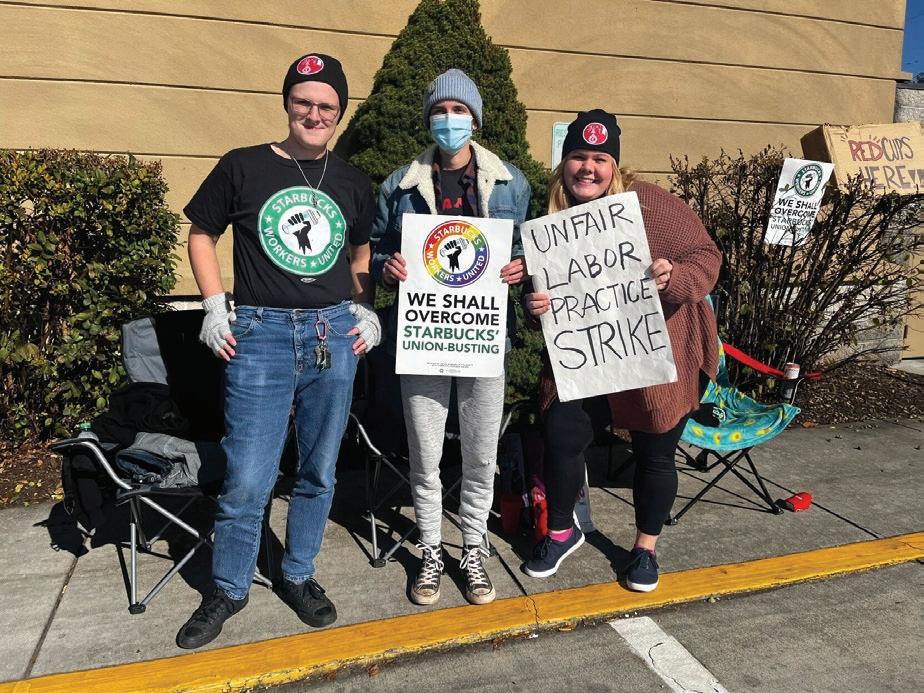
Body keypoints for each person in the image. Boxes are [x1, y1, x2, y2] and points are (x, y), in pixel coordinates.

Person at [175, 53, 381, 649]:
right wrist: (214, 306)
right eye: (304, 102)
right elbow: (201, 233)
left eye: (327, 106)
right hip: (259, 334)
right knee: (248, 473)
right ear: (288, 103)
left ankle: (297, 573)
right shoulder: (243, 166)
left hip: (332, 334)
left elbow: (361, 251)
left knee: (318, 469)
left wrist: (365, 306)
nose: (314, 114)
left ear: (340, 113)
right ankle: (229, 586)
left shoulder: (352, 181)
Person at [521, 109, 721, 592]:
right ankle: (562, 531)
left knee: (655, 449)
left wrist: (675, 278)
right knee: (563, 432)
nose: (588, 168)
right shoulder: (551, 217)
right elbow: (542, 295)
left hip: (658, 347)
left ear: (614, 165)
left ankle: (644, 549)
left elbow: (707, 257)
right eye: (578, 157)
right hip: (588, 354)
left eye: (599, 159)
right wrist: (533, 304)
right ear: (564, 163)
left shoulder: (649, 204)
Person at [371, 69, 530, 606]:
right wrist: (386, 266)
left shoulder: (510, 183)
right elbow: (374, 249)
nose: (449, 119)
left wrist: (521, 268)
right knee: (425, 455)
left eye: (459, 111)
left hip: (484, 339)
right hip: (423, 338)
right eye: (440, 110)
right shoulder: (400, 184)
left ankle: (474, 549)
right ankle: (431, 550)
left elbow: (526, 250)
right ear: (428, 119)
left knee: (481, 457)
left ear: (475, 120)